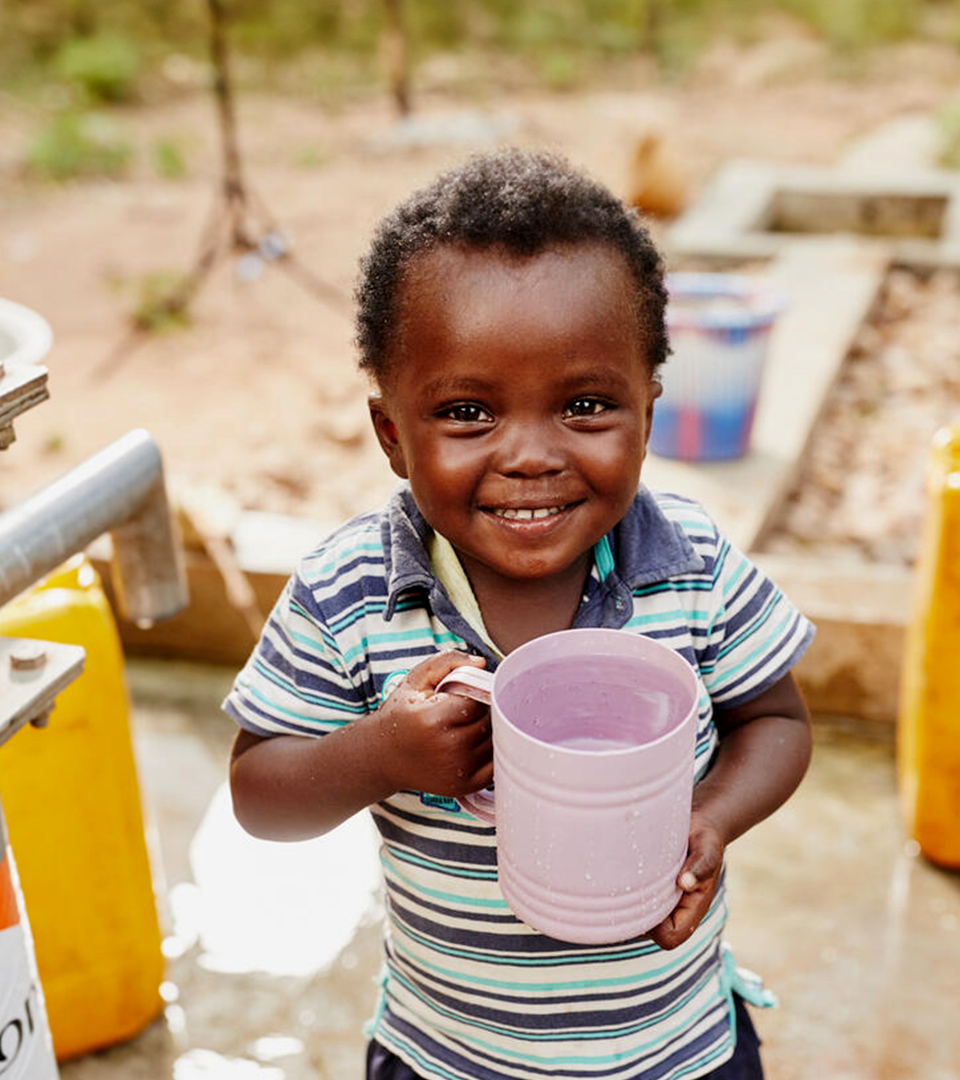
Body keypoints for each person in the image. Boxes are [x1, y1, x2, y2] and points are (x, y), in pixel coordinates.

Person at [224, 149, 814, 1080]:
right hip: (448, 1057)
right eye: (467, 412)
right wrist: (380, 754)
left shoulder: (691, 568)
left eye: (585, 405)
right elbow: (260, 797)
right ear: (392, 435)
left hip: (677, 1053)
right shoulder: (350, 594)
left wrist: (713, 815)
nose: (531, 456)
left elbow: (774, 720)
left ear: (649, 413)